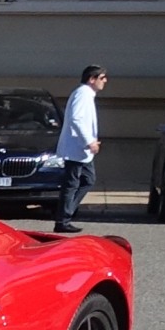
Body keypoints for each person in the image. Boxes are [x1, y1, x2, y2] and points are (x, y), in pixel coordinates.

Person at [55, 64, 108, 234]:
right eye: (102, 78)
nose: (105, 81)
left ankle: (67, 212)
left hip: (82, 151)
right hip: (76, 148)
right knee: (71, 184)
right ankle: (63, 219)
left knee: (88, 180)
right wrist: (89, 141)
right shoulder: (83, 93)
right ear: (92, 79)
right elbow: (76, 119)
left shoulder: (87, 94)